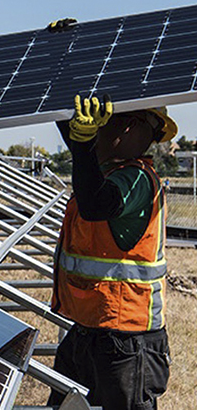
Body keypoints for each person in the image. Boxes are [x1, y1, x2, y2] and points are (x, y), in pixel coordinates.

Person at [48, 94, 174, 410]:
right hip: (89, 331)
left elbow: (95, 204)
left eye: (104, 122)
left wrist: (84, 141)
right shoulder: (102, 171)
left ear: (130, 126)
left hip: (126, 341)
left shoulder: (137, 179)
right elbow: (82, 153)